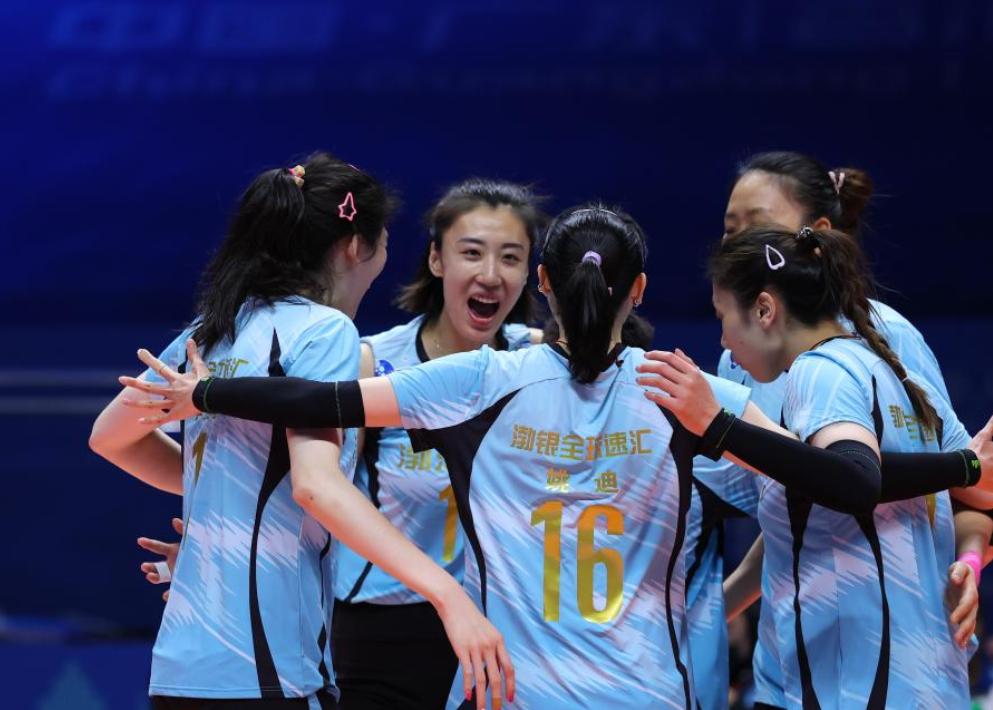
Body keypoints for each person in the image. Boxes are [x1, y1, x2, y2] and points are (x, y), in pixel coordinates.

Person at [119, 205, 993, 709]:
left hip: (510, 694)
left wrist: (208, 395)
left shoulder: (479, 379)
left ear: (540, 281)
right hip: (648, 694)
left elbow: (322, 402)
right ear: (639, 291)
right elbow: (837, 480)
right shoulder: (693, 399)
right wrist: (959, 474)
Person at [90, 153, 510, 710]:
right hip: (271, 670)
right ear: (356, 247)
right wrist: (447, 594)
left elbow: (110, 436)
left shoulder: (212, 327)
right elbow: (316, 485)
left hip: (178, 669)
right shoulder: (325, 332)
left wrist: (231, 510)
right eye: (385, 240)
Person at [684, 150, 991, 709]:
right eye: (730, 228)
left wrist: (722, 426)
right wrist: (713, 611)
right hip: (814, 665)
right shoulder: (767, 360)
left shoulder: (850, 356)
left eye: (756, 224)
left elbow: (864, 479)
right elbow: (800, 503)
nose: (738, 242)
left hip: (865, 673)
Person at [333, 178, 543, 709]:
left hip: (502, 630)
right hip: (382, 630)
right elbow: (320, 492)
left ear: (530, 274)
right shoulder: (373, 364)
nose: (490, 274)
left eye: (511, 257)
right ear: (436, 260)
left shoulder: (540, 365)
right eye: (471, 253)